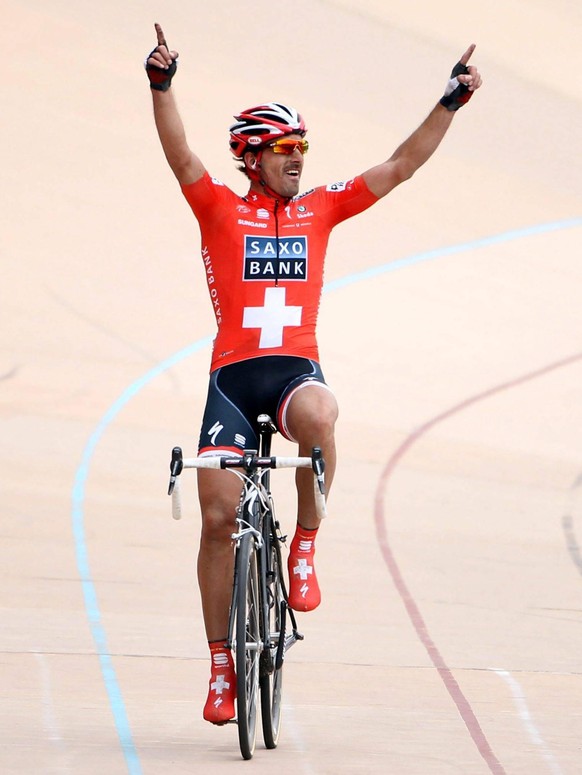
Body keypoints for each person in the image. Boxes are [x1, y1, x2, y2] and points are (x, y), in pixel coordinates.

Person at [145, 22, 482, 725]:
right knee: (214, 519)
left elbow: (399, 166)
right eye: (285, 150)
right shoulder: (218, 208)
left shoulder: (320, 206)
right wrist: (162, 86)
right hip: (234, 380)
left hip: (295, 372)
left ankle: (304, 544)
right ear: (251, 157)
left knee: (324, 414)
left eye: (303, 148)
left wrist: (447, 103)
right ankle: (219, 665)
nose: (298, 159)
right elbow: (180, 158)